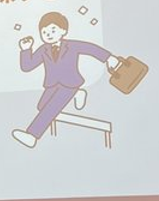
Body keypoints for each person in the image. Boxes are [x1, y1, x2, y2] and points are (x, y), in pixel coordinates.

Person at [13, 10, 114, 148]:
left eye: (52, 30)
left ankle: (32, 135)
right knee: (42, 106)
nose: (48, 35)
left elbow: (90, 49)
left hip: (70, 83)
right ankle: (78, 94)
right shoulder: (43, 49)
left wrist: (109, 58)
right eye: (44, 32)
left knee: (50, 109)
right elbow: (27, 67)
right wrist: (25, 50)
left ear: (63, 31)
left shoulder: (71, 45)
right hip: (52, 84)